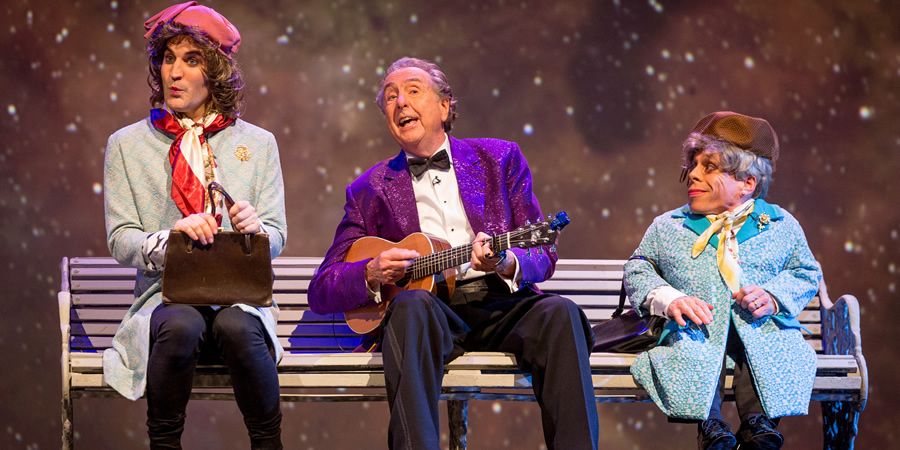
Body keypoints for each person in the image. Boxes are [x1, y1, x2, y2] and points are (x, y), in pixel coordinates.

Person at [308, 57, 599, 450]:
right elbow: (323, 288)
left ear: (445, 106)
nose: (400, 102)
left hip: (501, 307)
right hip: (429, 316)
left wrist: (506, 261)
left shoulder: (499, 158)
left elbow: (543, 253)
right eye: (390, 97)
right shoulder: (369, 189)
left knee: (561, 314)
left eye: (413, 90)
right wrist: (371, 273)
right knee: (410, 307)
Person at [102, 2, 286, 448]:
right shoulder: (127, 145)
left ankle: (269, 444)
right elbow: (120, 237)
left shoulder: (257, 144)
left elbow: (278, 235)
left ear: (217, 71)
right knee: (181, 322)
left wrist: (256, 229)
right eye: (168, 59)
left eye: (191, 60)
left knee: (237, 326)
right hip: (165, 299)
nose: (175, 73)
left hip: (239, 298)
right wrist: (172, 239)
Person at [624, 112, 822, 450]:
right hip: (696, 334)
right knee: (693, 351)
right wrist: (668, 298)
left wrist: (773, 297)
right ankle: (710, 425)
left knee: (771, 349)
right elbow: (638, 270)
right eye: (694, 164)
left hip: (761, 332)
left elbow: (806, 272)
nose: (693, 175)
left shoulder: (779, 225)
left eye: (710, 167)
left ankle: (760, 423)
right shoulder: (668, 227)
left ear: (747, 183)